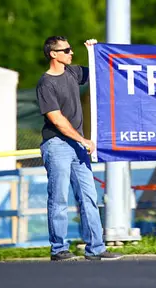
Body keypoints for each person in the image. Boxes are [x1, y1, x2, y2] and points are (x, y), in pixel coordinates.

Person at [36, 36, 122, 261]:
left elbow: (98, 70)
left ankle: (96, 248)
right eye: (65, 50)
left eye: (71, 49)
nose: (70, 53)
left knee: (89, 196)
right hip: (57, 145)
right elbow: (57, 119)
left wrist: (94, 50)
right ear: (53, 54)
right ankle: (58, 249)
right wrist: (82, 140)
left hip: (77, 145)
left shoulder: (72, 73)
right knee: (59, 198)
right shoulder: (46, 83)